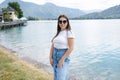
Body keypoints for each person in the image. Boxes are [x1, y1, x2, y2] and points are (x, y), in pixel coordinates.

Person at [49, 14, 75, 80]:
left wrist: (62, 59)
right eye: (60, 21)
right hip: (55, 56)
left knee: (61, 78)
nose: (62, 23)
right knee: (56, 77)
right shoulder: (58, 32)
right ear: (58, 23)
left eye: (64, 21)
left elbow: (71, 48)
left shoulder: (69, 32)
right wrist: (50, 57)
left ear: (67, 22)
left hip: (63, 56)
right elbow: (53, 45)